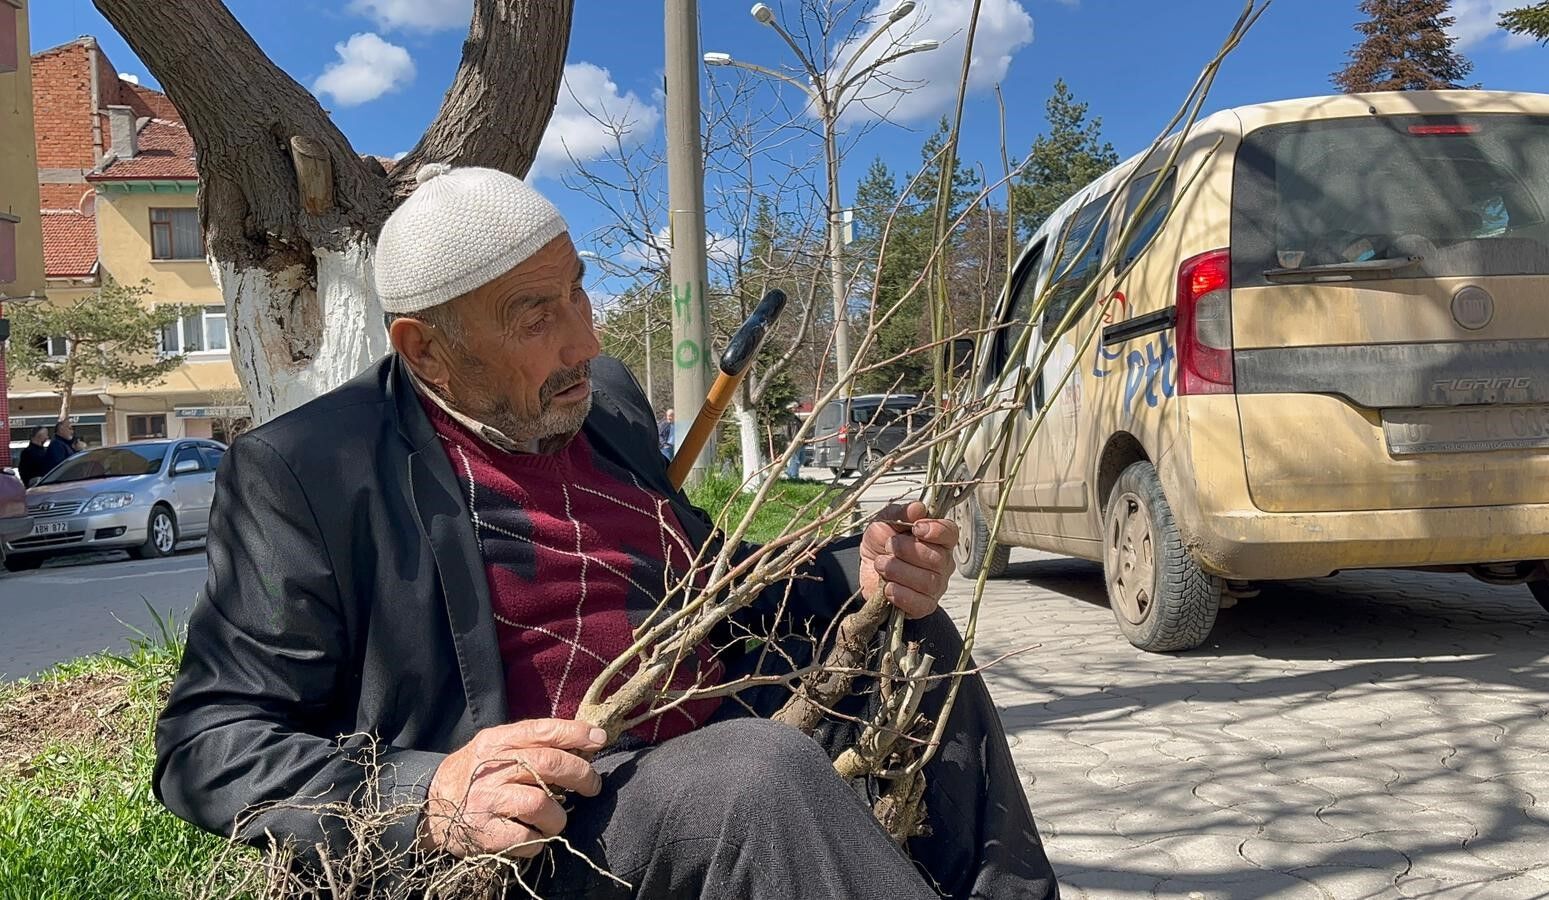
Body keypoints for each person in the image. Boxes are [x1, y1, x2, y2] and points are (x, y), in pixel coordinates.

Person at [152, 165, 1056, 900]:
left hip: (726, 736)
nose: (583, 341)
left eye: (578, 293)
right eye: (535, 318)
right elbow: (207, 739)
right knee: (755, 772)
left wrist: (860, 564)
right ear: (425, 348)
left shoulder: (603, 404)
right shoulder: (310, 470)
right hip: (562, 833)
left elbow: (711, 577)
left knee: (912, 632)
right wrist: (428, 793)